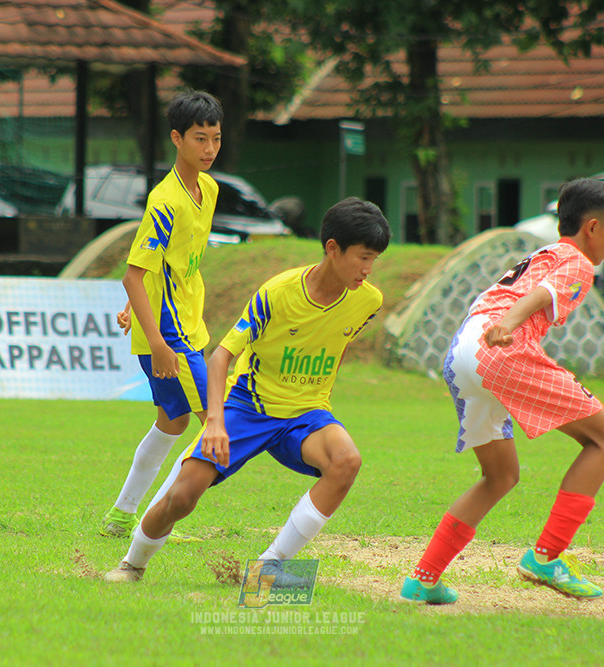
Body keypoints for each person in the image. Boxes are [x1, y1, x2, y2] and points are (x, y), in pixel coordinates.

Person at [105, 197, 391, 584]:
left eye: (375, 260)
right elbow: (221, 356)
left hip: (305, 413)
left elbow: (336, 347)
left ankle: (268, 569)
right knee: (182, 498)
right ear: (333, 248)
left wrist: (318, 398)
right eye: (363, 257)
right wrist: (215, 423)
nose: (368, 270)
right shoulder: (278, 291)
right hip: (248, 406)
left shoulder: (368, 301)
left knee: (346, 461)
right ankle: (131, 565)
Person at [401, 178, 604, 604]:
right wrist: (508, 324)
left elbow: (505, 294)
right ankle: (546, 558)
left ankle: (423, 579)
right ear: (593, 227)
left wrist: (498, 325)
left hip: (462, 353)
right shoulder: (579, 261)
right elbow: (541, 296)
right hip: (501, 349)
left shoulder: (542, 253)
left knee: (500, 476)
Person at [99, 90, 223, 541]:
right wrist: (156, 343)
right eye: (199, 139)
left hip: (190, 321)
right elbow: (133, 275)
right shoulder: (164, 200)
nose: (209, 149)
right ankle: (159, 517)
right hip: (169, 334)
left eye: (215, 138)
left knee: (174, 422)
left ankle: (122, 514)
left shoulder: (208, 189)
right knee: (215, 420)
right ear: (177, 138)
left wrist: (136, 307)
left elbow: (166, 263)